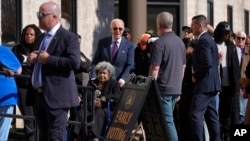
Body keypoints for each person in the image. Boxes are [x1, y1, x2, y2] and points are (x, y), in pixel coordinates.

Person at [27, 1, 80, 140]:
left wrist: (50, 59)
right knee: (43, 136)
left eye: (41, 14)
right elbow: (39, 67)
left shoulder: (69, 37)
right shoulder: (40, 38)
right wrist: (30, 61)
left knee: (55, 137)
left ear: (54, 17)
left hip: (57, 98)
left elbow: (75, 63)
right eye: (37, 14)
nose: (38, 17)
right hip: (39, 96)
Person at [148, 12, 186, 141]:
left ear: (159, 24)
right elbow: (183, 67)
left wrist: (150, 86)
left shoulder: (159, 43)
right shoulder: (180, 42)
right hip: (175, 89)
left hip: (163, 89)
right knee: (169, 120)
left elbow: (155, 69)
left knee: (167, 121)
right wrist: (178, 87)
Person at [190, 14, 221, 141]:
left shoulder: (204, 40)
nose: (191, 28)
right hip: (211, 85)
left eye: (192, 25)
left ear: (200, 26)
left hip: (204, 85)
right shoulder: (209, 39)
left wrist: (195, 75)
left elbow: (207, 63)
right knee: (211, 117)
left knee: (195, 115)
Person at [73, 61, 121, 141]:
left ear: (109, 74)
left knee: (99, 113)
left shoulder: (114, 83)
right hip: (91, 106)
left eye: (104, 73)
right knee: (80, 113)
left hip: (106, 108)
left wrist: (104, 98)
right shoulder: (92, 82)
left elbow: (117, 96)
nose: (102, 75)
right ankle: (77, 136)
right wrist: (81, 97)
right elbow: (85, 93)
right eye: (100, 73)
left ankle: (95, 137)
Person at [11, 24, 41, 141]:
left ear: (36, 36)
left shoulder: (40, 49)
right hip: (23, 88)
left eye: (32, 34)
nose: (28, 36)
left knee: (39, 118)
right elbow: (13, 66)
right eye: (26, 34)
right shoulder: (16, 49)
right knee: (28, 118)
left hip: (38, 88)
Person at [213, 21, 240, 141]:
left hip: (229, 86)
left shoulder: (230, 45)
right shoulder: (212, 44)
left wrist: (237, 86)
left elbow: (235, 67)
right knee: (216, 113)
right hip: (216, 86)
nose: (226, 36)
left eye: (228, 33)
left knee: (228, 114)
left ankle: (227, 135)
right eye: (224, 33)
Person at [90, 18, 135, 87]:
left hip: (119, 83)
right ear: (111, 29)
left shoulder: (129, 45)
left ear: (123, 30)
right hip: (103, 83)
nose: (117, 31)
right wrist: (93, 77)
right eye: (115, 28)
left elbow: (130, 64)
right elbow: (95, 62)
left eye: (120, 29)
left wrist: (123, 78)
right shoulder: (102, 42)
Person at [0, 45, 22, 140]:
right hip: (7, 93)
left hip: (6, 93)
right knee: (2, 130)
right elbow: (18, 70)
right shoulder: (3, 50)